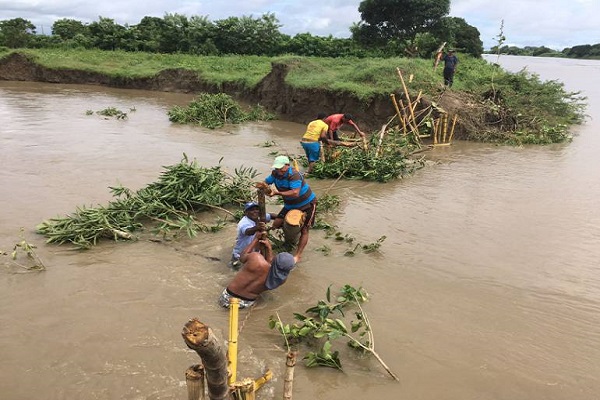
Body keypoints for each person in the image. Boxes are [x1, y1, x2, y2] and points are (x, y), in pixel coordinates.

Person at [219, 235, 296, 309]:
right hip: (246, 302)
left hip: (227, 296)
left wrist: (255, 239)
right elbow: (269, 269)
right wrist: (269, 249)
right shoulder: (281, 279)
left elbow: (242, 257)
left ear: (275, 259)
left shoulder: (256, 258)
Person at [264, 155, 317, 263]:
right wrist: (265, 188)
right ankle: (291, 237)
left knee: (305, 230)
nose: (279, 171)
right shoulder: (275, 173)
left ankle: (298, 255)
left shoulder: (294, 175)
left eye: (281, 169)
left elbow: (295, 193)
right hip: (290, 205)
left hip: (307, 204)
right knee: (276, 224)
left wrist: (277, 193)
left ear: (287, 166)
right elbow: (266, 182)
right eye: (277, 169)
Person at [230, 202, 276, 269]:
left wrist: (284, 218)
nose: (255, 211)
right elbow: (248, 231)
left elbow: (271, 215)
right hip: (241, 256)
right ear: (246, 212)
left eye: (257, 209)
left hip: (254, 254)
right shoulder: (244, 222)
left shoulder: (260, 217)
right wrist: (257, 227)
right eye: (251, 210)